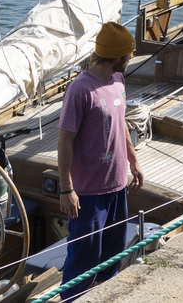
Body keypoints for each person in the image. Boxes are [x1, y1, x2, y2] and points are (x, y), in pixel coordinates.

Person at [58, 22, 144, 301]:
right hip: (88, 194)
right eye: (129, 55)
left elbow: (121, 126)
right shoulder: (80, 90)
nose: (131, 59)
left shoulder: (118, 81)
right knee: (83, 260)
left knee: (113, 256)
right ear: (117, 57)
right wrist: (66, 190)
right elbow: (65, 141)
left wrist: (133, 161)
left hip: (118, 187)